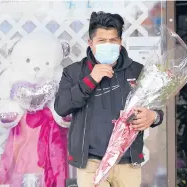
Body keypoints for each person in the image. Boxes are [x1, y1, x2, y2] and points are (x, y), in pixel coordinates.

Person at [54, 11, 164, 187]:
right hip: (91, 163)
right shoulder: (74, 72)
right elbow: (61, 107)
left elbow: (156, 108)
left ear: (120, 42)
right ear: (90, 43)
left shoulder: (137, 71)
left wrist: (153, 116)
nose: (108, 45)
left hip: (128, 162)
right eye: (101, 41)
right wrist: (90, 80)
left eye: (112, 41)